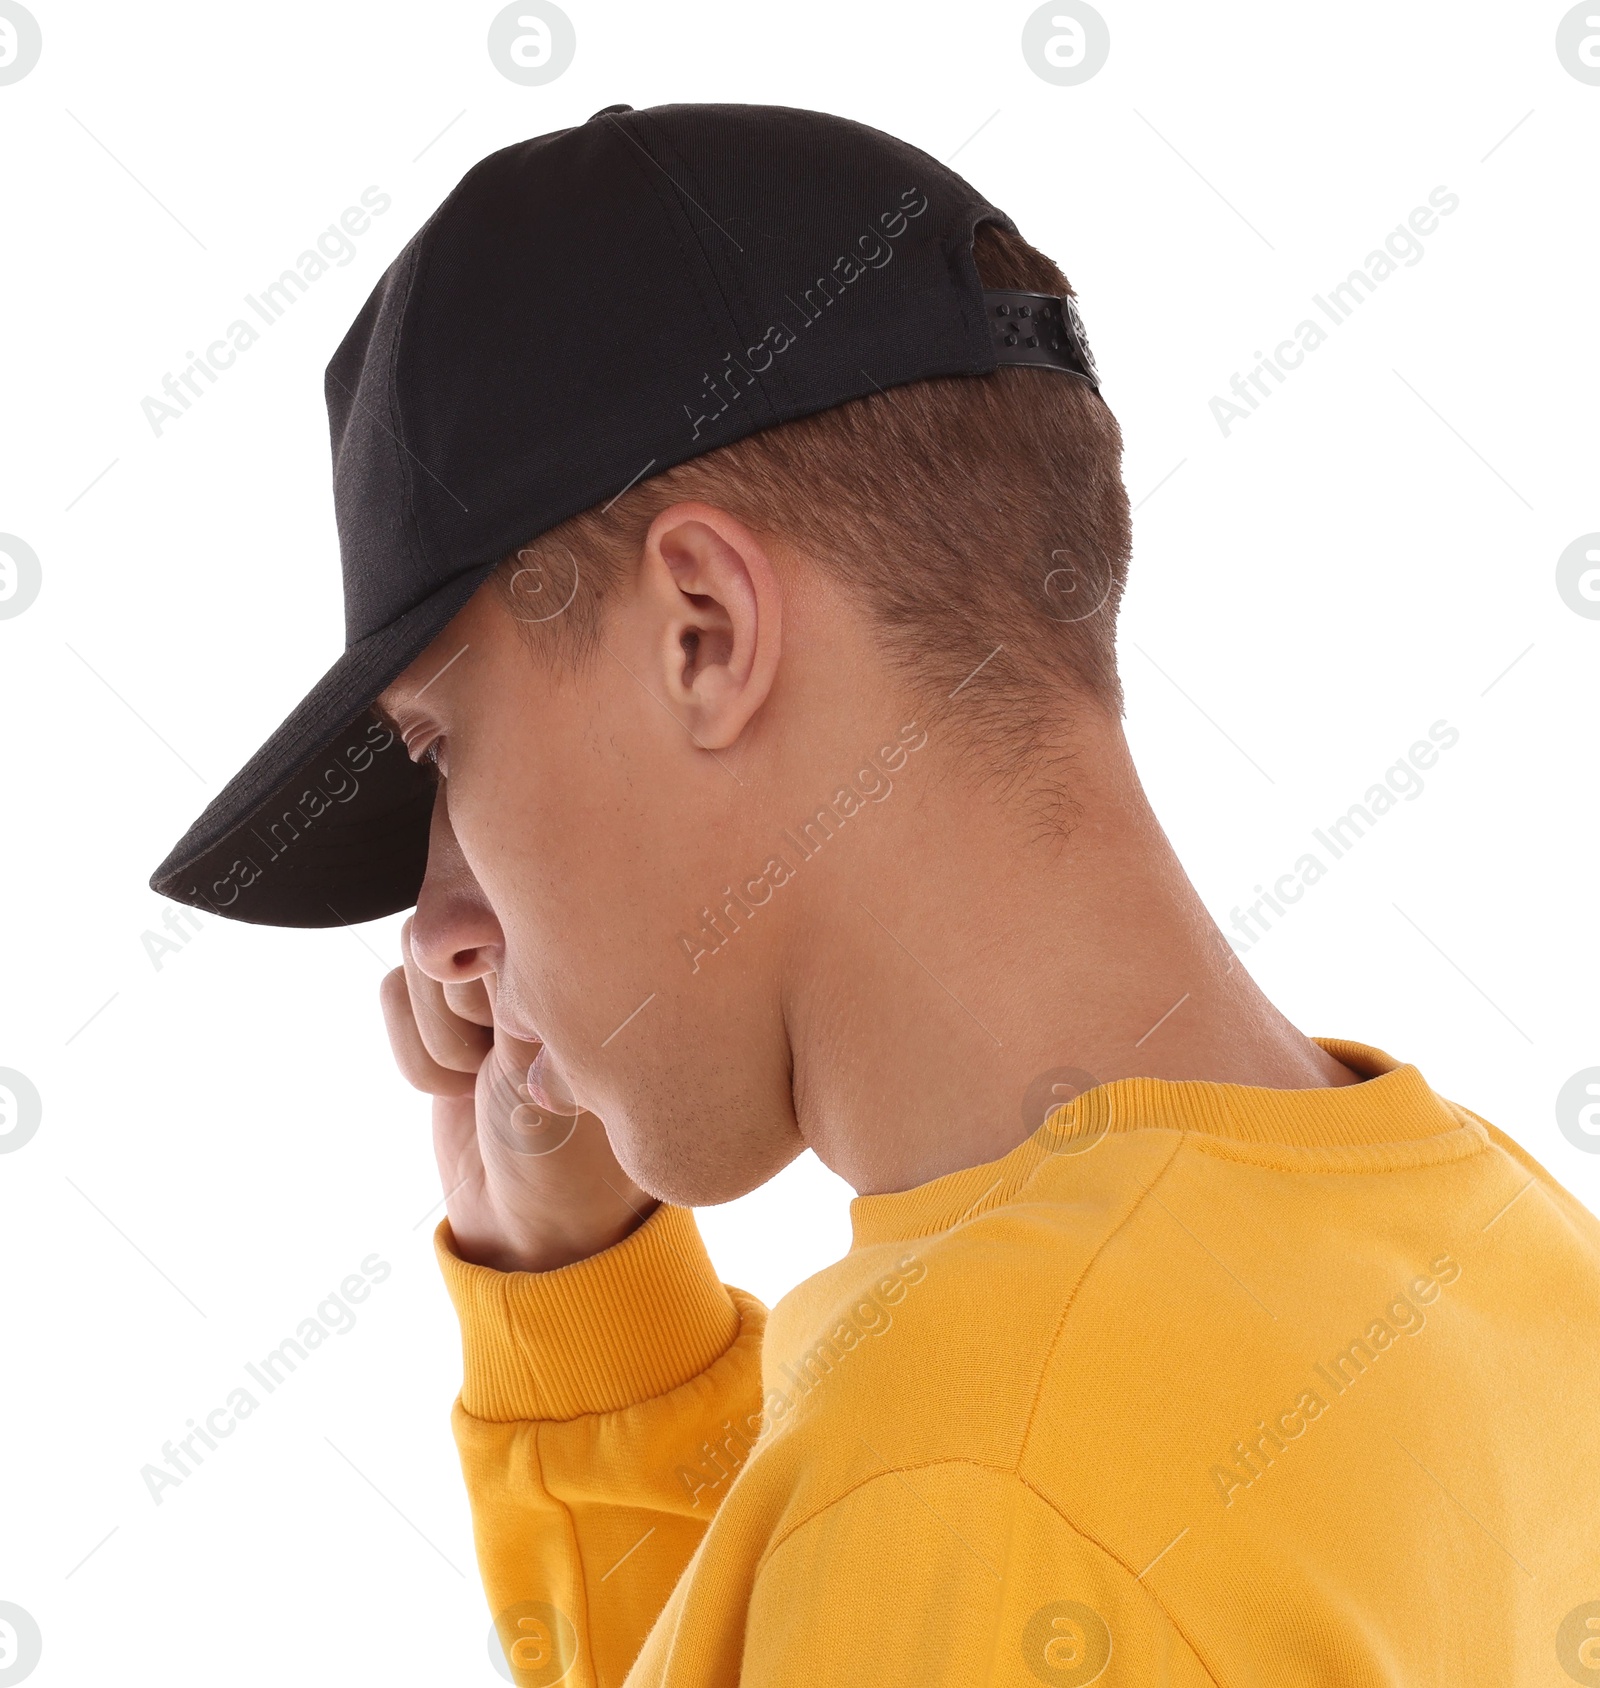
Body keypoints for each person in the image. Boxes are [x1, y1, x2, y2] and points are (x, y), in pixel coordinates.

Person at [151, 103, 1600, 1686]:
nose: (435, 932)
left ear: (701, 630)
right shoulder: (1509, 1263)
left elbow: (960, 1534)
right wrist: (587, 1322)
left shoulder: (967, 1481)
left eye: (441, 745)